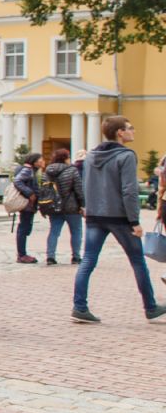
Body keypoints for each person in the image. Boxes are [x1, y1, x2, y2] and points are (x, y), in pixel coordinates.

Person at [71, 117, 166, 323]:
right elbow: (129, 191)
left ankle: (79, 306)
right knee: (138, 261)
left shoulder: (90, 156)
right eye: (130, 128)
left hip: (95, 215)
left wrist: (89, 208)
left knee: (87, 261)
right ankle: (150, 306)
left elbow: (86, 185)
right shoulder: (126, 156)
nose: (133, 131)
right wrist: (135, 221)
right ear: (120, 132)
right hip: (119, 217)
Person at [42, 148, 83, 266]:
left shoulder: (47, 171)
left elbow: (44, 190)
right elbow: (79, 189)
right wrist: (82, 205)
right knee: (76, 232)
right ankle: (76, 257)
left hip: (54, 206)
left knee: (54, 231)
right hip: (72, 207)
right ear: (65, 158)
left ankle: (50, 256)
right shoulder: (72, 170)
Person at [11, 152, 44, 265]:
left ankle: (22, 254)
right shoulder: (28, 170)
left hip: (29, 205)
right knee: (23, 229)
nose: (42, 161)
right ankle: (22, 255)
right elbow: (17, 181)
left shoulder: (30, 170)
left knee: (24, 229)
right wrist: (30, 193)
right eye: (40, 159)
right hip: (27, 205)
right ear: (34, 161)